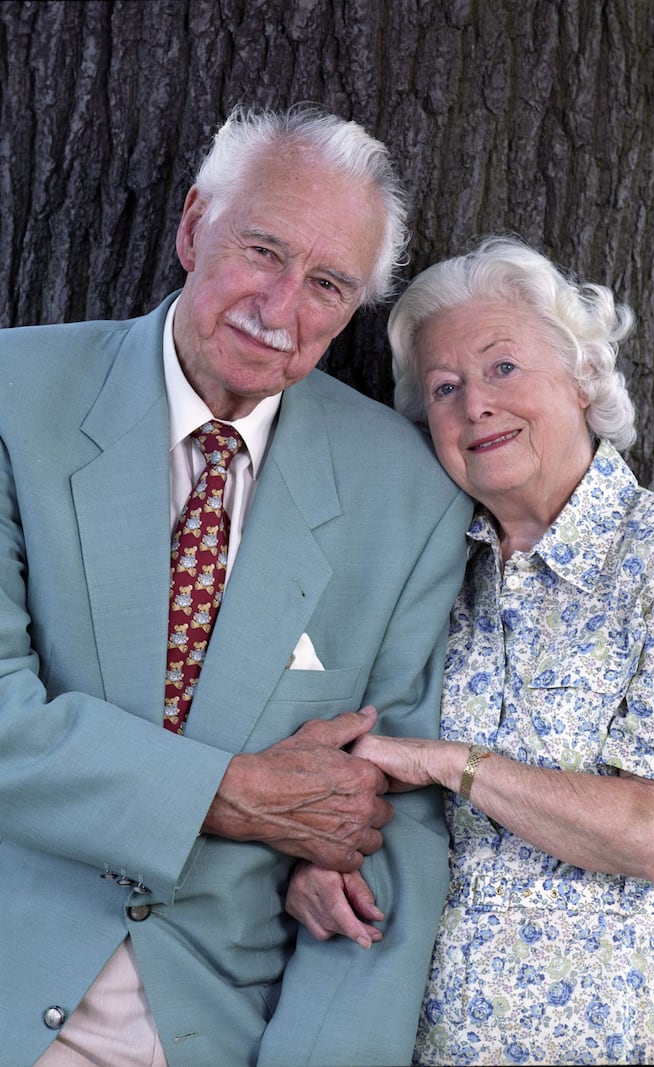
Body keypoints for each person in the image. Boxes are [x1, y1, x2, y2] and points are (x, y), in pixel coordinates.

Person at [0, 105, 474, 1067]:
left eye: (328, 284)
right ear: (190, 227)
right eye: (262, 251)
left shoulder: (408, 495)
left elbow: (390, 835)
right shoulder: (15, 398)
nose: (280, 308)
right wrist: (237, 795)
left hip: (219, 1026)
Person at [286, 236, 654, 1065]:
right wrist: (322, 856)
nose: (474, 404)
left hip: (628, 1032)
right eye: (444, 388)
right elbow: (357, 763)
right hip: (421, 1035)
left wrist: (453, 763)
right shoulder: (429, 573)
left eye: (503, 368)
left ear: (584, 377)